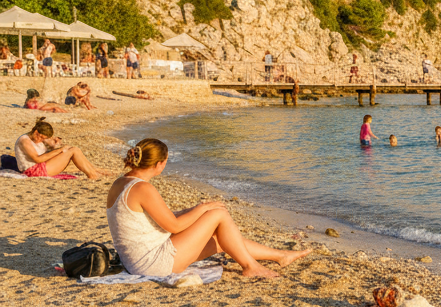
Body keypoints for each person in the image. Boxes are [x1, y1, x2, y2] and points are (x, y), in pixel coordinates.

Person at [106, 139, 310, 279]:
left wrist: (195, 210)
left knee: (223, 239)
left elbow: (155, 220)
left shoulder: (122, 182)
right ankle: (251, 267)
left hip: (137, 260)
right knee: (219, 214)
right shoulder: (143, 188)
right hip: (151, 263)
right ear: (161, 163)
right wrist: (203, 208)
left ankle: (280, 256)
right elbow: (174, 227)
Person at [14, 118, 105, 179]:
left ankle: (93, 171)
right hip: (33, 171)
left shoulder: (36, 139)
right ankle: (92, 175)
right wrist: (60, 150)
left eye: (43, 138)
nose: (41, 140)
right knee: (72, 151)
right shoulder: (24, 141)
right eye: (40, 137)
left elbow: (47, 152)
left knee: (74, 149)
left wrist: (57, 147)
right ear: (35, 132)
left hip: (41, 166)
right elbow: (37, 159)